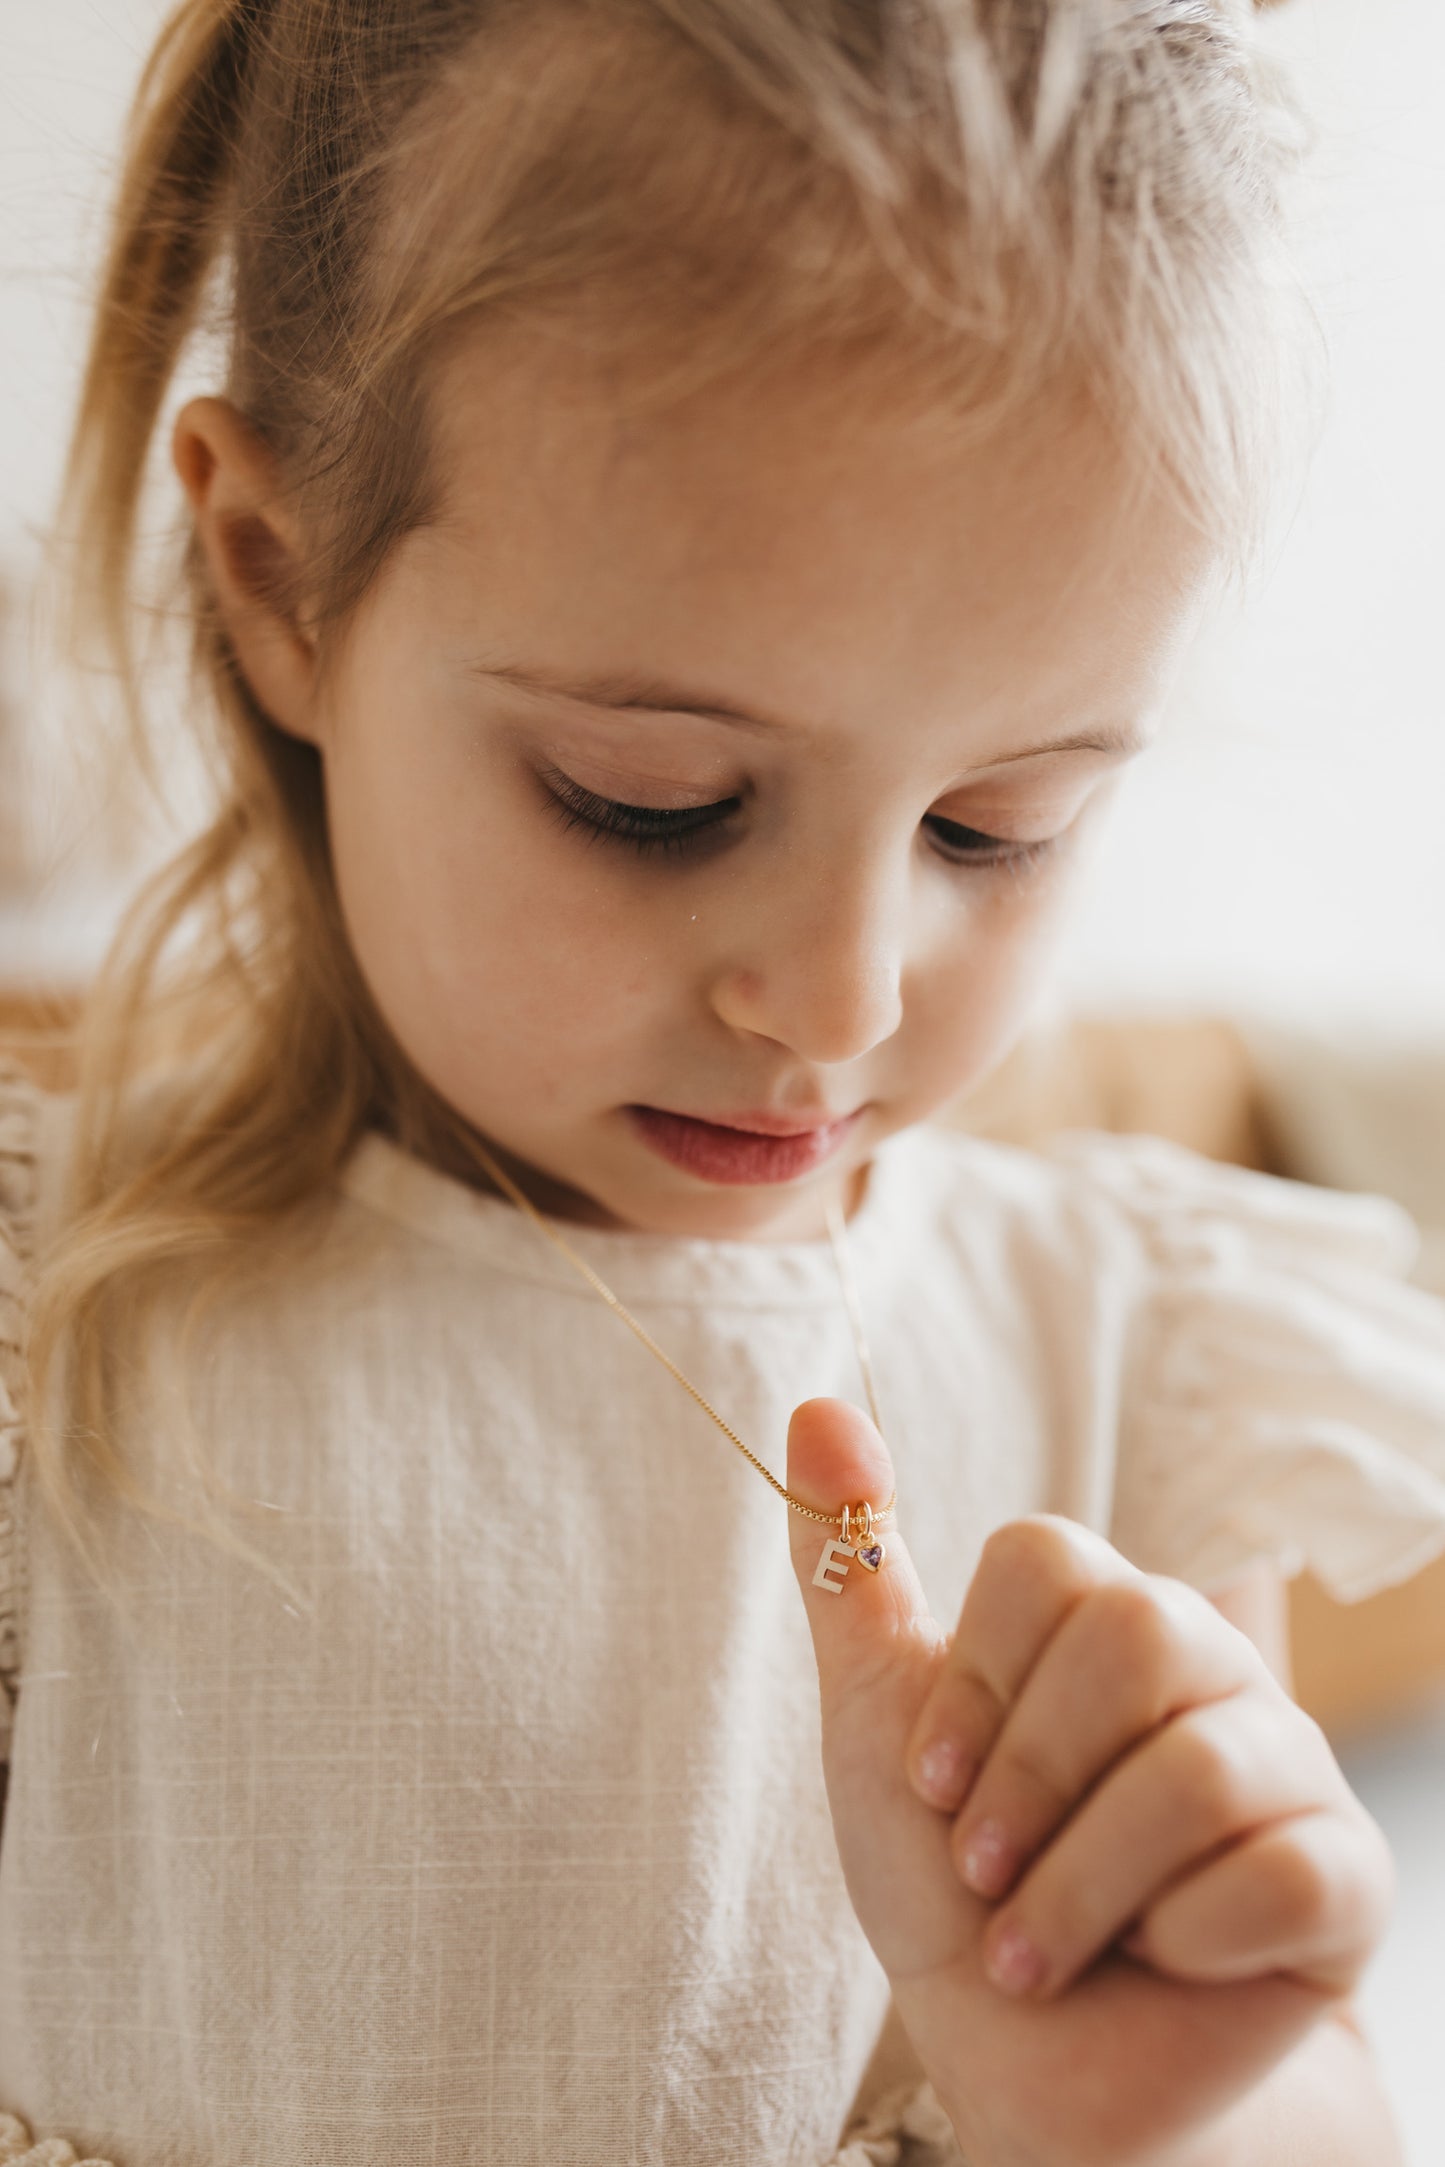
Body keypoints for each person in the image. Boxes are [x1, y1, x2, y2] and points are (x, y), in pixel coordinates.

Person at [3, 0, 1445, 2161]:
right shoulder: (58, 1330)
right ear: (281, 581)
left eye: (1002, 825)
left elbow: (1297, 2097)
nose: (845, 998)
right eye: (652, 798)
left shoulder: (1129, 1363)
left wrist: (1166, 2104)